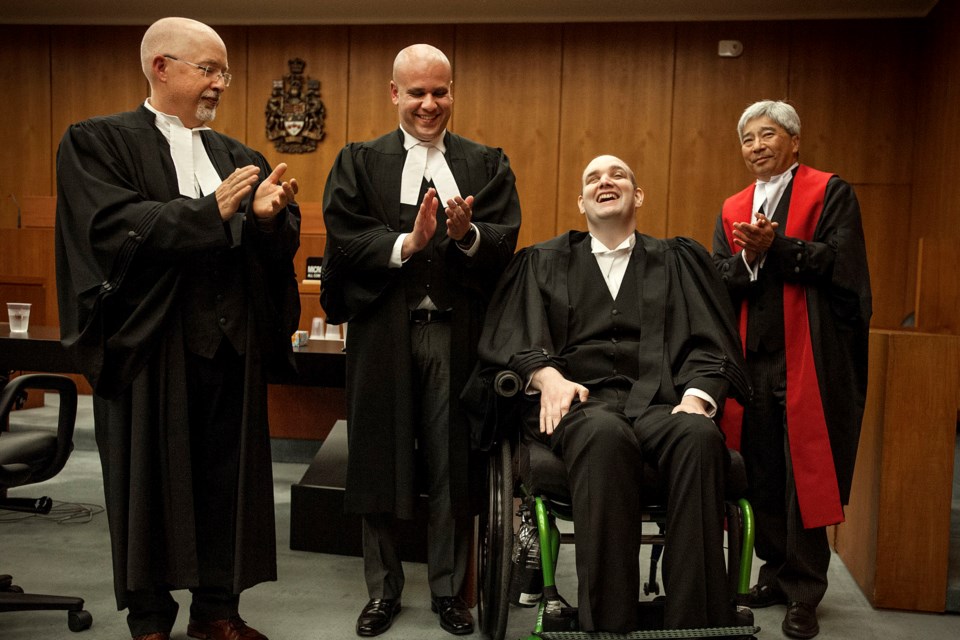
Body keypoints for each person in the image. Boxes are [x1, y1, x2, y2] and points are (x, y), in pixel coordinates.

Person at [54, 17, 301, 640]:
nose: (219, 83)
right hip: (150, 344)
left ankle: (217, 611)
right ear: (160, 67)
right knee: (149, 487)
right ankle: (150, 620)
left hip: (229, 343)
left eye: (224, 72)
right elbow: (110, 225)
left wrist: (269, 221)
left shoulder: (238, 156)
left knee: (226, 482)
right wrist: (207, 212)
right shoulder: (96, 141)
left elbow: (267, 242)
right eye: (207, 69)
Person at [468, 154, 749, 633]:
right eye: (593, 178)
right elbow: (512, 339)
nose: (606, 181)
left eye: (618, 174)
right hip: (579, 407)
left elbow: (709, 342)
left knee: (700, 437)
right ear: (581, 202)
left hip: (662, 402)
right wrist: (545, 375)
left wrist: (699, 396)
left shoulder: (677, 261)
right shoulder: (543, 261)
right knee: (604, 435)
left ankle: (695, 625)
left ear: (637, 196)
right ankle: (608, 627)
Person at [319, 44, 521, 637]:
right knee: (379, 460)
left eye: (440, 92)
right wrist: (407, 244)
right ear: (394, 94)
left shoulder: (486, 162)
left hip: (456, 337)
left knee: (453, 464)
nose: (428, 104)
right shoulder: (359, 161)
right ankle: (382, 592)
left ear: (452, 93)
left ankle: (448, 591)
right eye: (416, 93)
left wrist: (467, 235)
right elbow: (345, 236)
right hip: (383, 332)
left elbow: (506, 241)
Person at [712, 100, 872, 640]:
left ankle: (806, 591)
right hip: (751, 361)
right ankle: (775, 573)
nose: (757, 146)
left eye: (767, 134)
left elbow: (840, 264)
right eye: (748, 139)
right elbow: (719, 277)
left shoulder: (830, 192)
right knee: (760, 471)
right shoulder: (733, 205)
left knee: (803, 475)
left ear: (795, 142)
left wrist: (776, 248)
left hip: (808, 357)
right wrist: (749, 259)